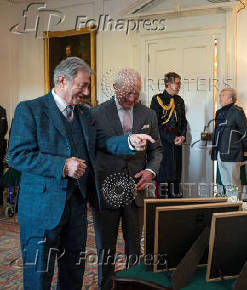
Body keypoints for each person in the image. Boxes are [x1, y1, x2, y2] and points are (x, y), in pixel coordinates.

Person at [8, 57, 153, 290]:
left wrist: (130, 141)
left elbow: (104, 143)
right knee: (39, 274)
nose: (87, 92)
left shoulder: (84, 114)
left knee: (74, 270)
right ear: (62, 80)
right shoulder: (30, 109)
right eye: (83, 85)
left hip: (76, 208)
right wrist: (62, 166)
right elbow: (17, 156)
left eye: (88, 86)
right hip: (41, 210)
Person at [91, 69, 163, 289]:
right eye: (127, 93)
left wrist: (150, 171)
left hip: (137, 188)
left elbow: (157, 150)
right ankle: (106, 285)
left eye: (136, 93)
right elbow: (92, 148)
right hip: (106, 189)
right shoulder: (96, 114)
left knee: (135, 246)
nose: (132, 98)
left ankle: (133, 285)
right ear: (114, 88)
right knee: (106, 246)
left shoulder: (148, 114)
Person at [150, 72, 187, 197]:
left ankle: (176, 211)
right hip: (163, 145)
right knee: (163, 180)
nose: (179, 86)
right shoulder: (157, 99)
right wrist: (172, 138)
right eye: (177, 83)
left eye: (179, 83)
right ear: (168, 84)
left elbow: (183, 122)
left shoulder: (179, 100)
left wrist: (183, 136)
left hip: (177, 145)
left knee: (176, 179)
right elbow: (155, 125)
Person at [211, 88, 247, 200]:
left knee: (233, 182)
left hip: (233, 152)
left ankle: (234, 205)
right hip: (220, 153)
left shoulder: (237, 112)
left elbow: (245, 132)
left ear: (230, 99)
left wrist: (244, 149)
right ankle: (229, 204)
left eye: (223, 95)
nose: (220, 97)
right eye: (220, 95)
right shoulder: (219, 112)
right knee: (225, 181)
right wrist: (214, 147)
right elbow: (218, 132)